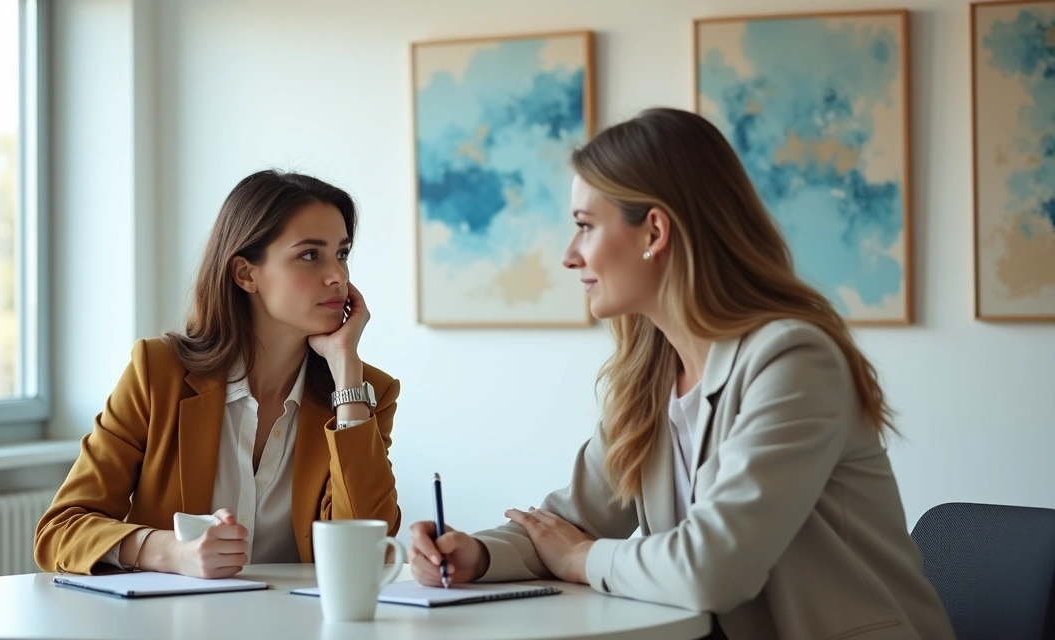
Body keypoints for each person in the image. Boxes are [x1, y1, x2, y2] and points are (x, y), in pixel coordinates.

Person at [408, 108, 955, 640]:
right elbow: (574, 521)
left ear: (653, 232)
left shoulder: (793, 360)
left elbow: (713, 568)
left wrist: (579, 558)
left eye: (584, 227)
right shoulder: (651, 374)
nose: (569, 256)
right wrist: (473, 555)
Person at [36, 170, 400, 578]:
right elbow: (60, 531)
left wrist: (346, 372)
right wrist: (172, 552)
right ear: (246, 274)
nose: (339, 276)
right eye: (311, 255)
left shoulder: (367, 395)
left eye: (342, 253)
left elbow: (368, 554)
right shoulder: (157, 375)